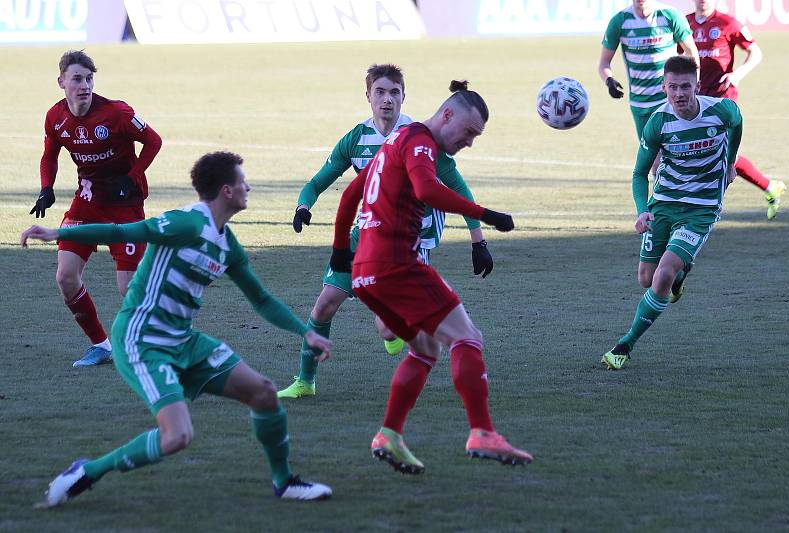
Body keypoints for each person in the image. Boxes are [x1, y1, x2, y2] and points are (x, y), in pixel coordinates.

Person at [22, 152, 333, 505]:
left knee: (262, 392)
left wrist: (304, 332)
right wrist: (58, 232)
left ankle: (285, 482)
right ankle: (86, 471)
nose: (248, 187)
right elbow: (121, 231)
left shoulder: (226, 242)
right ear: (227, 191)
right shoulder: (186, 224)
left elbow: (260, 299)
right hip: (142, 340)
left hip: (182, 340)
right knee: (176, 437)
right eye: (243, 182)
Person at [329, 80, 532, 473]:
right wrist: (484, 215)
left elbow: (350, 194)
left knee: (425, 349)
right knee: (467, 337)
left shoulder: (396, 140)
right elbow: (426, 188)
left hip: (365, 273)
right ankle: (482, 432)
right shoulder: (419, 140)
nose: (470, 142)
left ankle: (389, 433)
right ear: (448, 114)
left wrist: (341, 250)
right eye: (469, 133)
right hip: (396, 265)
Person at [279, 64, 493, 399]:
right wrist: (303, 206)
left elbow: (457, 187)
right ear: (368, 96)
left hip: (408, 240)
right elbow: (319, 181)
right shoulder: (357, 138)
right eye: (380, 92)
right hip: (365, 232)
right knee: (324, 306)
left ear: (404, 97)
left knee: (387, 326)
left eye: (395, 92)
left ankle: (401, 336)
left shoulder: (420, 137)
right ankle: (306, 382)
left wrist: (478, 240)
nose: (387, 99)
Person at [602, 56, 741, 370]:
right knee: (647, 279)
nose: (679, 93)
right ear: (664, 87)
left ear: (696, 86)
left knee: (662, 275)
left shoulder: (721, 111)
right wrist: (642, 212)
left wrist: (730, 161)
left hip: (701, 208)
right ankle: (681, 275)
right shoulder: (659, 122)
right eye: (673, 87)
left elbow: (737, 124)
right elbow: (639, 174)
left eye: (685, 86)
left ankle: (624, 345)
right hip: (664, 203)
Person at [31, 50, 163, 367]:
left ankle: (162, 340)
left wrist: (131, 179)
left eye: (89, 79)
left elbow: (154, 141)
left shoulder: (116, 113)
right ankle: (101, 346)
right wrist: (46, 188)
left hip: (125, 206)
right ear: (61, 81)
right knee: (65, 276)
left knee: (128, 287)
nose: (85, 85)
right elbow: (49, 155)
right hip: (87, 202)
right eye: (77, 79)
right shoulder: (55, 117)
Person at [686, 0, 786, 219]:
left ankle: (700, 206)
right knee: (712, 150)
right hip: (696, 100)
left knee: (718, 150)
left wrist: (736, 75)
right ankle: (770, 186)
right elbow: (679, 58)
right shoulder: (686, 24)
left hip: (722, 98)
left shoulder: (727, 22)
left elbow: (755, 52)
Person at [599, 0, 700, 147]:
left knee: (678, 152)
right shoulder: (619, 21)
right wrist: (609, 81)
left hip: (670, 101)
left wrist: (693, 88)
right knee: (651, 158)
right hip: (640, 104)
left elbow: (692, 53)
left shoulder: (670, 15)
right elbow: (604, 63)